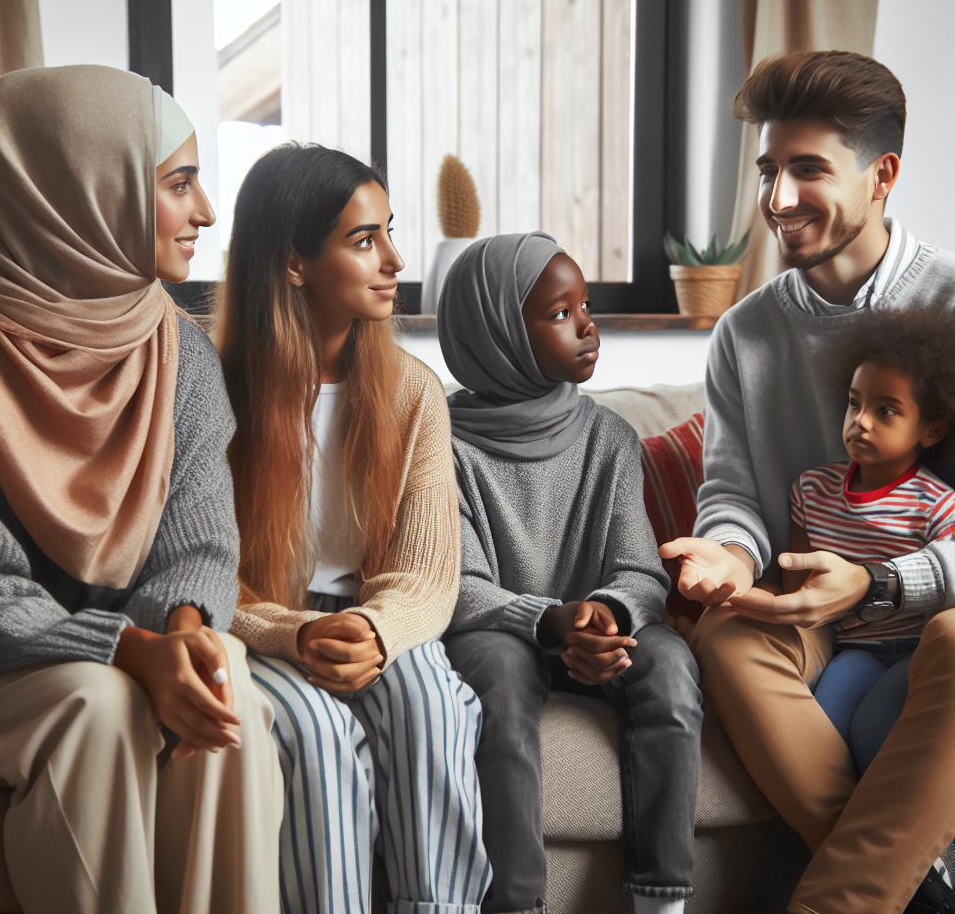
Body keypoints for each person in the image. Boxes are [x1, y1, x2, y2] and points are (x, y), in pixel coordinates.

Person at [0, 65, 283, 914]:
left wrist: (186, 634)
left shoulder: (178, 350)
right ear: (78, 191)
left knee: (222, 672)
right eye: (180, 184)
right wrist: (126, 651)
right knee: (94, 706)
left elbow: (198, 541)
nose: (205, 213)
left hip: (127, 641)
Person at [660, 50, 955, 914]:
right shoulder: (743, 335)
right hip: (813, 611)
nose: (779, 200)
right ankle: (923, 893)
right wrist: (730, 556)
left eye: (808, 170)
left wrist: (883, 579)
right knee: (724, 637)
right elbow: (734, 494)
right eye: (770, 170)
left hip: (940, 603)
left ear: (883, 175)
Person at [216, 142, 490, 914]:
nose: (396, 259)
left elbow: (427, 571)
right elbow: (195, 573)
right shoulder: (207, 387)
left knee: (432, 702)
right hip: (259, 629)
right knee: (315, 732)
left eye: (389, 232)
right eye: (364, 239)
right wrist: (292, 634)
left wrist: (372, 630)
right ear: (295, 263)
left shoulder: (412, 392)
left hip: (372, 618)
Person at [439, 232, 703, 914]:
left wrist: (609, 615)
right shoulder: (439, 443)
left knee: (669, 664)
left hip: (596, 625)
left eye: (585, 305)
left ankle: (661, 900)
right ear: (494, 331)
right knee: (496, 673)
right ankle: (519, 903)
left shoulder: (609, 436)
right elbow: (454, 584)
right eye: (560, 313)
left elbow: (640, 570)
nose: (589, 326)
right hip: (498, 630)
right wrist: (549, 622)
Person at [789, 309, 955, 771]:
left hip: (920, 651)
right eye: (853, 403)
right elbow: (797, 583)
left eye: (885, 410)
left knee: (875, 731)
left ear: (932, 430)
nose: (860, 421)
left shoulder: (938, 505)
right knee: (824, 729)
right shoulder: (812, 489)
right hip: (854, 648)